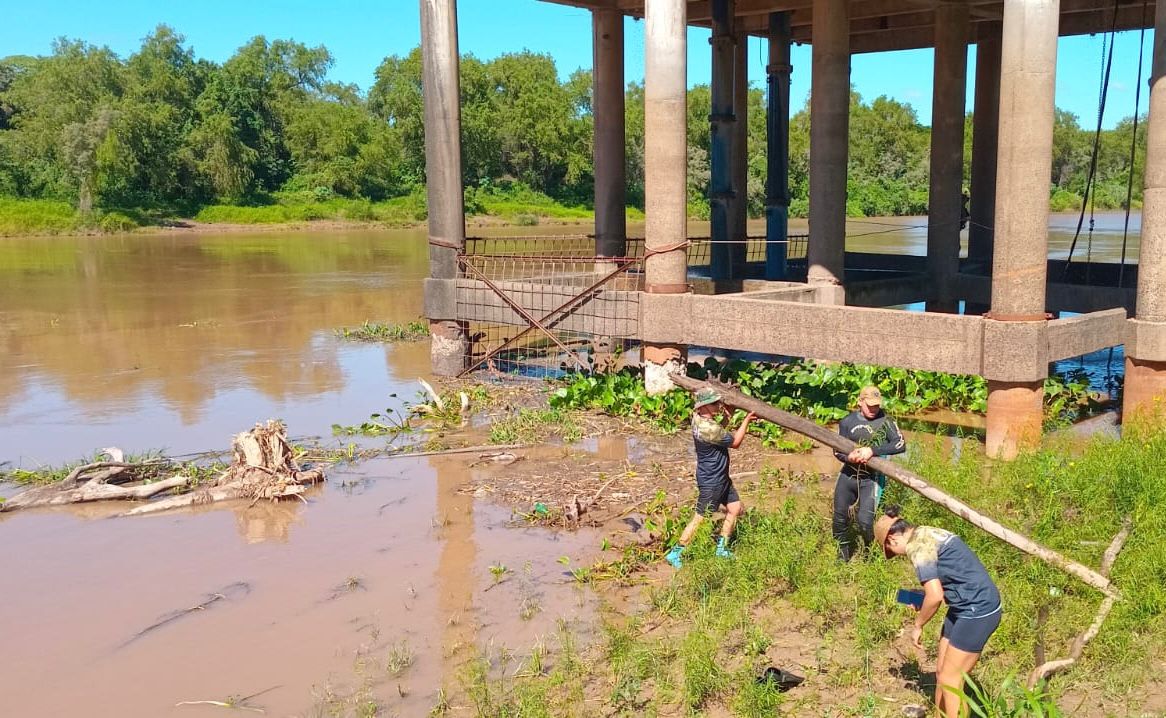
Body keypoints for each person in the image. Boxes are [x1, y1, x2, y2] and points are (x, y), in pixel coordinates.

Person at [874, 506, 1002, 718]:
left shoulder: (917, 548)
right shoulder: (926, 532)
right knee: (942, 673)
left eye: (892, 552)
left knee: (952, 680)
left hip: (978, 609)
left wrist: (918, 625)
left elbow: (935, 596)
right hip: (962, 605)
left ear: (892, 540)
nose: (897, 555)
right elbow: (948, 578)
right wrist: (921, 597)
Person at [664, 388, 756, 568]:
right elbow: (735, 442)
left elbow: (719, 430)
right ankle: (676, 552)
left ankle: (721, 548)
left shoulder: (698, 419)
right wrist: (746, 420)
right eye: (715, 404)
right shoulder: (709, 428)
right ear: (704, 406)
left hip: (719, 476)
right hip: (712, 480)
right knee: (701, 517)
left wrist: (729, 416)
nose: (719, 406)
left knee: (734, 508)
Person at [832, 385, 906, 561]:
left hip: (871, 478)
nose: (873, 409)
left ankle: (869, 552)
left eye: (876, 405)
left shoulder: (886, 422)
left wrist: (872, 450)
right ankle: (843, 552)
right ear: (860, 401)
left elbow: (900, 444)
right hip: (848, 474)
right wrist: (848, 458)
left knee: (865, 521)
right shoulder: (847, 422)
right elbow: (836, 450)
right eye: (869, 405)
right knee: (840, 517)